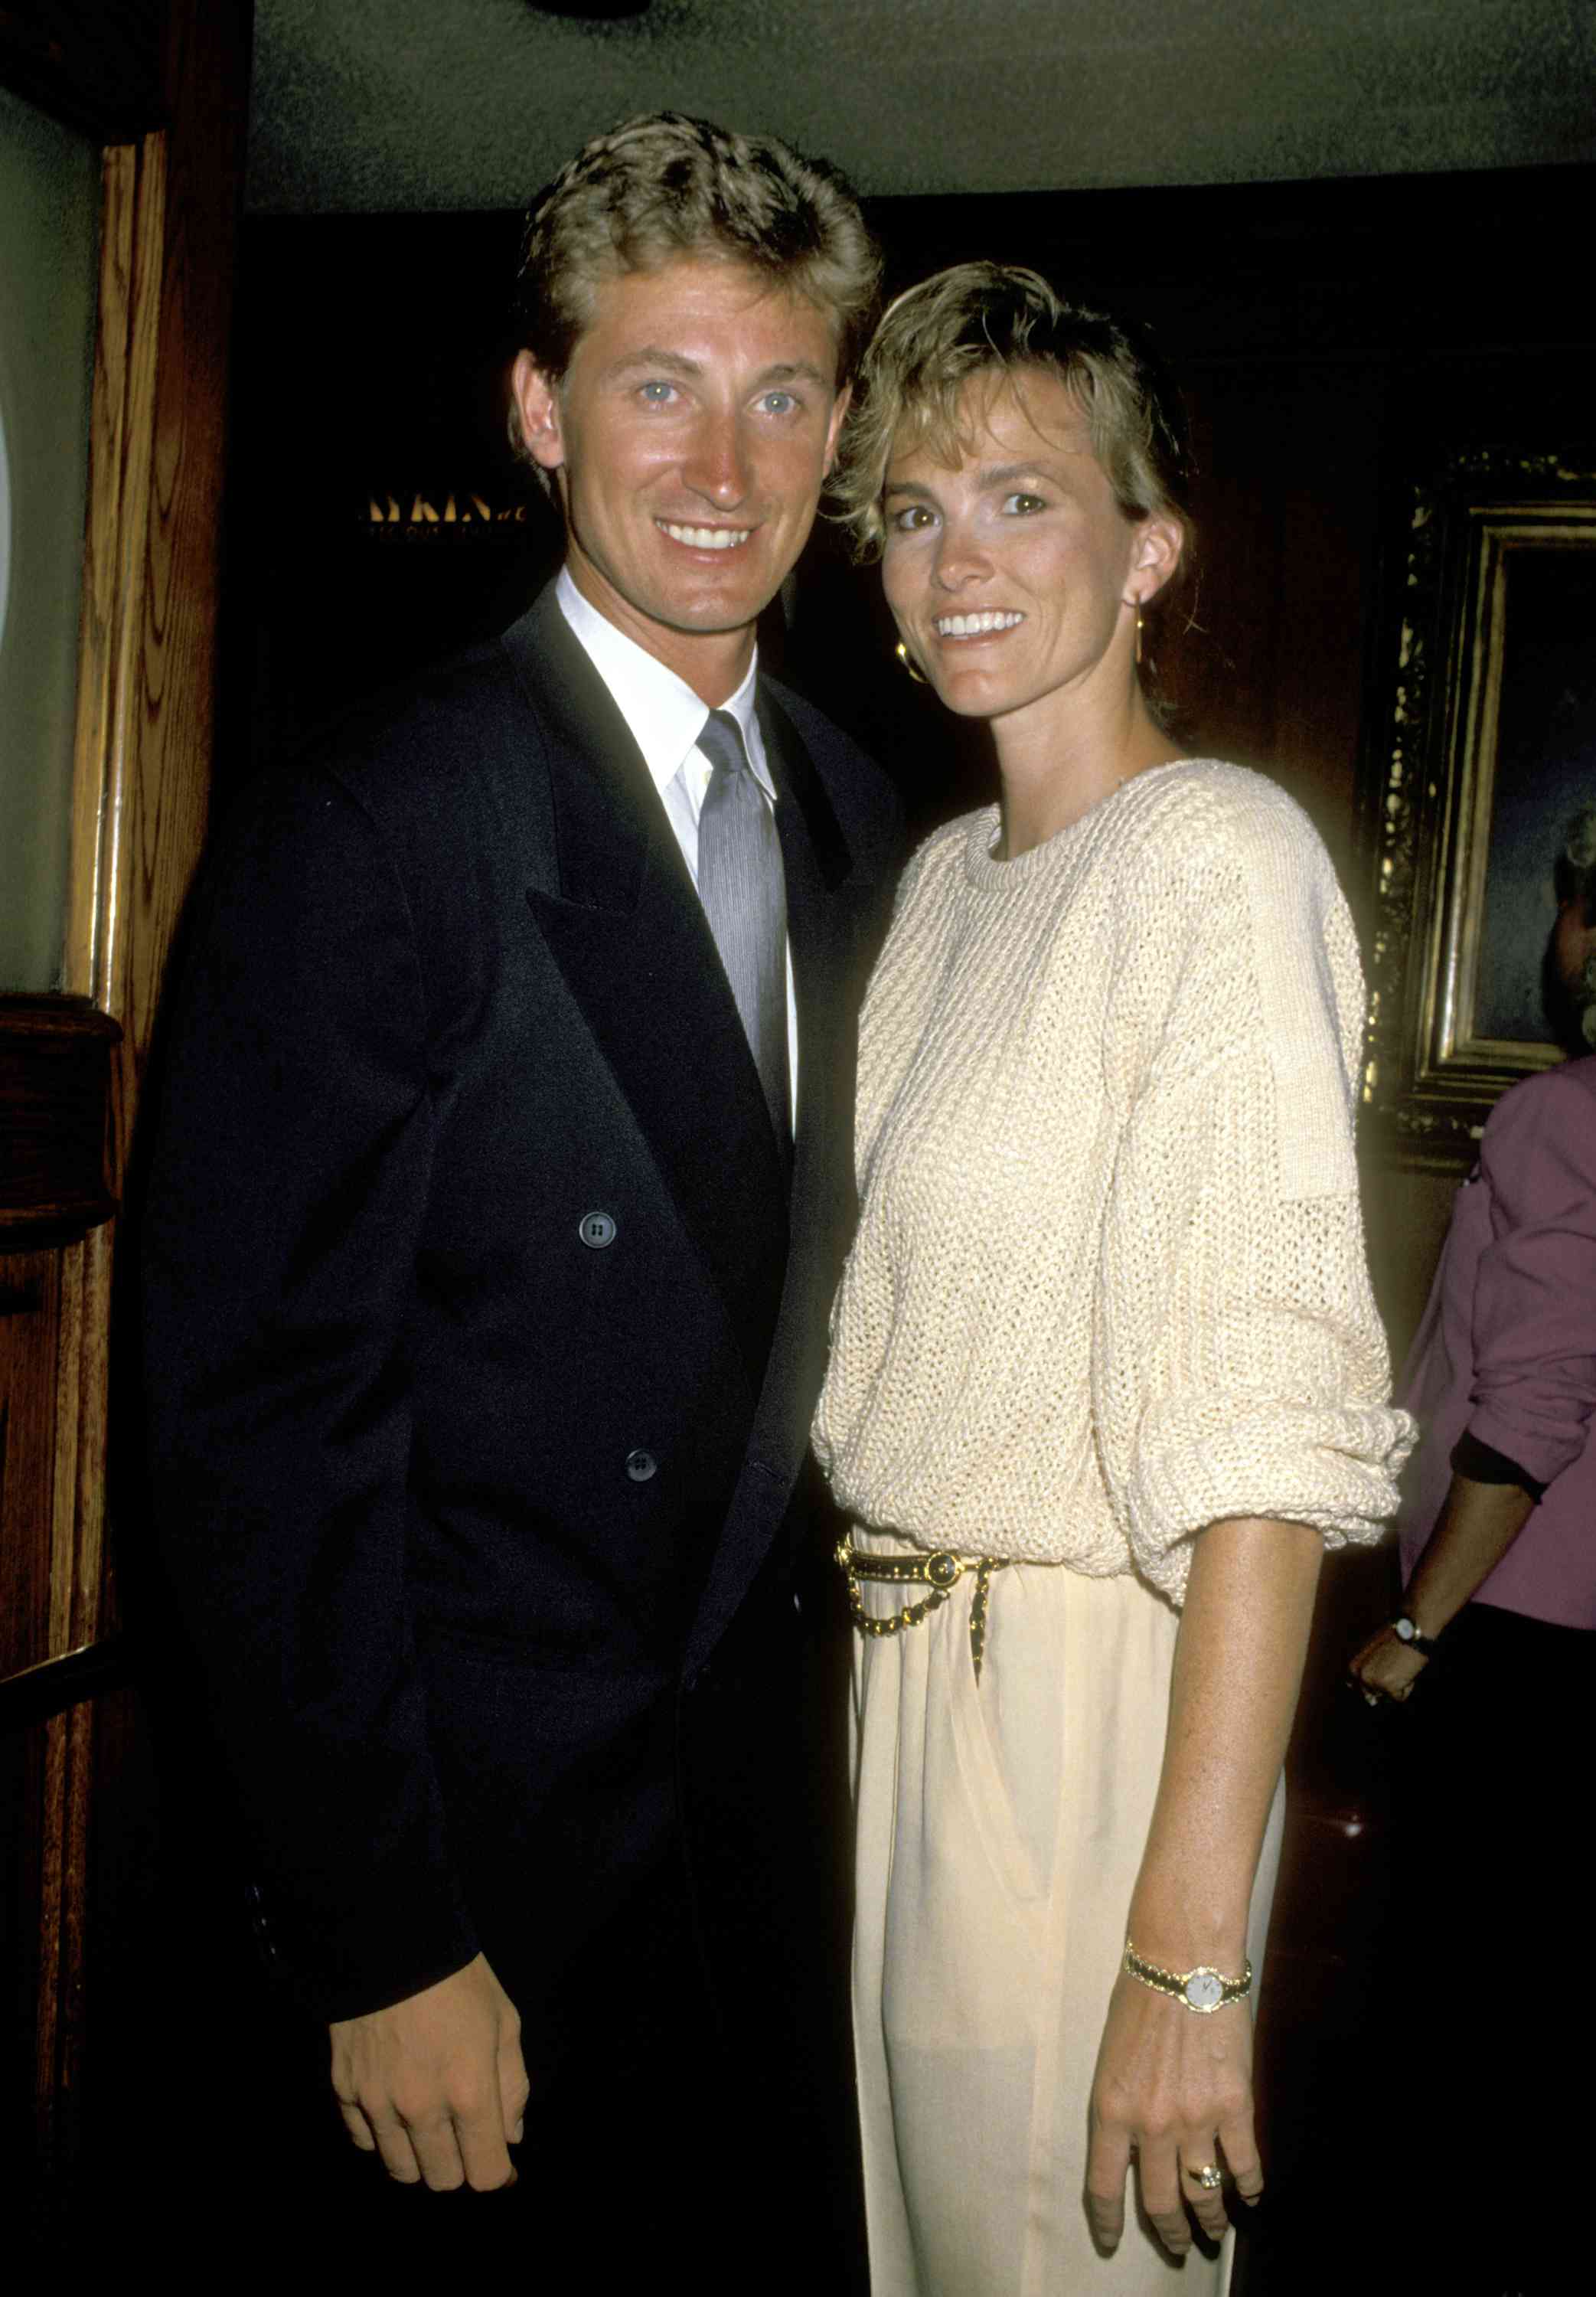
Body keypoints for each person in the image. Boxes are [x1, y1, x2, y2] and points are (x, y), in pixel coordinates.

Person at [142, 112, 898, 2282]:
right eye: (657, 384)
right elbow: (253, 1433)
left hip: (758, 1860)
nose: (721, 467)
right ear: (539, 411)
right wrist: (379, 1934)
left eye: (778, 396)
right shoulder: (377, 821)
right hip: (473, 1875)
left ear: (839, 428)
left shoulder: (867, 821)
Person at [811, 263, 1412, 2293]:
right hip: (909, 1680)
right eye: (908, 509)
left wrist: (1184, 1950)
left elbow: (1259, 1438)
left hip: (1082, 1712)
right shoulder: (937, 894)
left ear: (1148, 544)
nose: (952, 558)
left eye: (1018, 498)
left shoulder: (1213, 860)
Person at [1349, 805, 1596, 2289]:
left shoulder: (1563, 1115)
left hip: (1512, 1648)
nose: (1559, 934)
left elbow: (1535, 1402)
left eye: (1575, 904)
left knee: (1449, 2046)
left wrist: (1417, 1629)